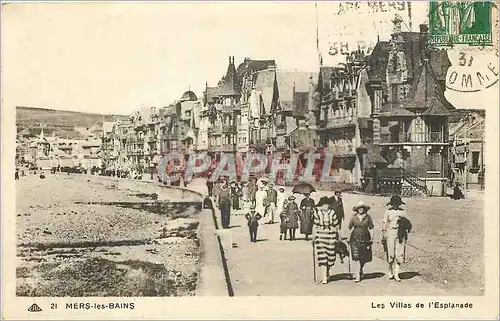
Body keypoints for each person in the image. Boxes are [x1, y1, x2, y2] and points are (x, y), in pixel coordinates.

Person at [313, 196, 342, 284]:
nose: (325, 206)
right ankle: (324, 277)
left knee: (331, 257)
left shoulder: (333, 213)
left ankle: (327, 271)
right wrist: (314, 236)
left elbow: (337, 226)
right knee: (322, 257)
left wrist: (339, 236)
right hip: (320, 237)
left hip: (331, 237)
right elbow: (315, 225)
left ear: (329, 205)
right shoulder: (318, 214)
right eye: (323, 204)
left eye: (326, 204)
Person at [382, 195, 409, 282]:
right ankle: (390, 270)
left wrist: (405, 228)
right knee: (391, 253)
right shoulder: (388, 212)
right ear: (391, 204)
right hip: (390, 232)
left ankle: (397, 274)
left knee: (399, 253)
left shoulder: (403, 212)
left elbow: (407, 223)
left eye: (397, 204)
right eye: (394, 204)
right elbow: (384, 222)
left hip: (401, 234)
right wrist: (384, 232)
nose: (396, 206)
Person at [348, 201, 374, 283]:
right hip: (355, 238)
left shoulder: (368, 217)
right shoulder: (353, 217)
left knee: (363, 257)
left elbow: (372, 228)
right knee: (357, 257)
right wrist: (348, 238)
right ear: (357, 209)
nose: (360, 209)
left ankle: (360, 270)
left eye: (362, 208)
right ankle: (358, 275)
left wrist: (372, 239)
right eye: (359, 208)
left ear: (364, 209)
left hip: (365, 239)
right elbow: (349, 228)